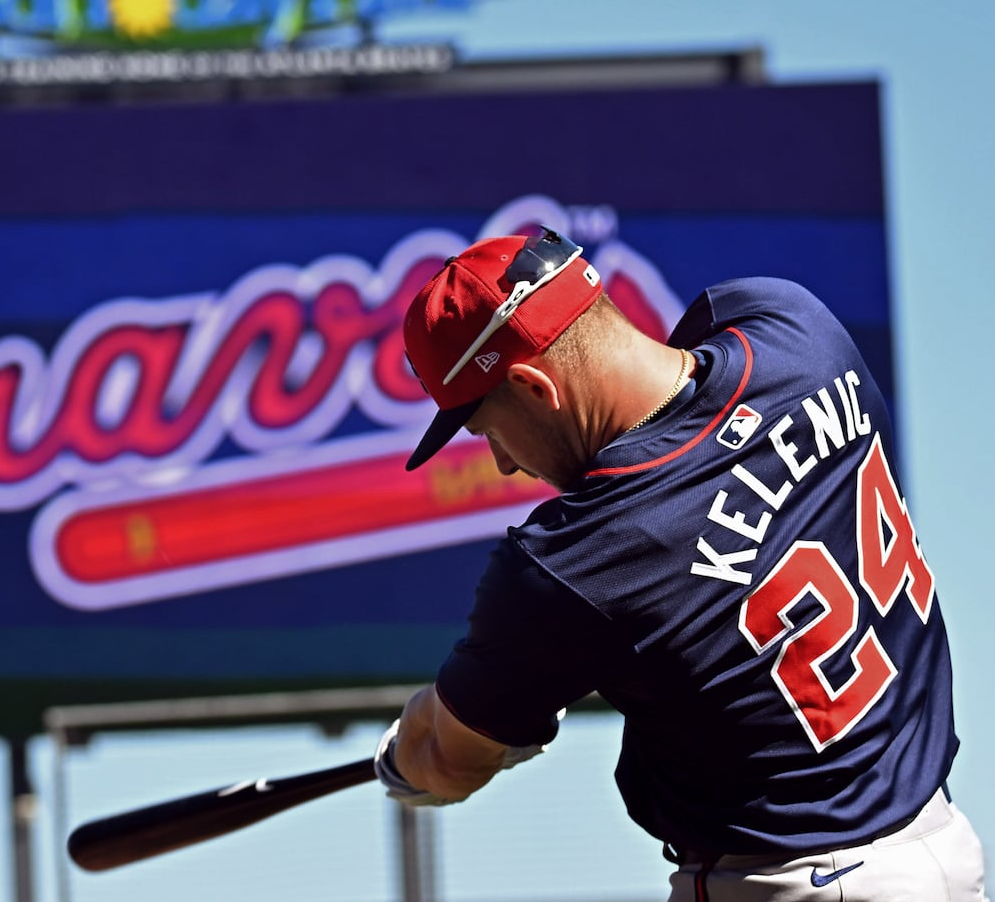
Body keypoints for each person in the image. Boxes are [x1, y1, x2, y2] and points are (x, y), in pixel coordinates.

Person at [374, 227, 988, 901]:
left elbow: (447, 758)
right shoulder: (794, 328)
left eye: (488, 429)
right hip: (943, 848)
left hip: (797, 883)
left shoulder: (575, 559)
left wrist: (405, 757)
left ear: (532, 384)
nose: (505, 462)